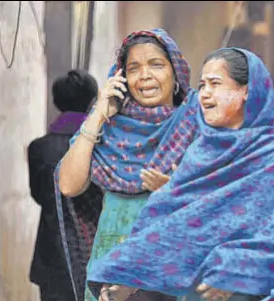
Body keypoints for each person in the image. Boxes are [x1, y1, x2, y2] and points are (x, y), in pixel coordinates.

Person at [86, 48, 274, 301]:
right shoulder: (199, 155)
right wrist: (130, 277)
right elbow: (168, 227)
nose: (205, 94)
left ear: (247, 91)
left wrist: (240, 272)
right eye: (202, 85)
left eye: (215, 84)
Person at [56, 29, 199, 301]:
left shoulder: (195, 125)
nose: (144, 75)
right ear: (121, 78)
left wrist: (173, 191)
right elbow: (68, 185)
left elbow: (222, 204)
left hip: (175, 272)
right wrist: (99, 113)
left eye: (156, 64)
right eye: (134, 68)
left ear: (176, 72)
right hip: (112, 272)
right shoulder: (107, 129)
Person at [27, 69, 101, 301]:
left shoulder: (39, 148)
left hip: (53, 255)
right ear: (92, 101)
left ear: (57, 102)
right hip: (94, 251)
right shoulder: (100, 145)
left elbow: (39, 195)